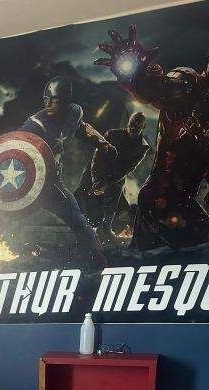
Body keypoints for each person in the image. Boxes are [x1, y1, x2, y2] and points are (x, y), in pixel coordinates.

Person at [95, 25, 209, 249]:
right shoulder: (189, 86)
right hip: (161, 205)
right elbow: (158, 88)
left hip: (178, 208)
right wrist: (136, 72)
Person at [20, 76, 117, 263]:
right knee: (0, 222)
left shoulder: (74, 112)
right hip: (29, 186)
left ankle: (96, 260)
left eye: (54, 100)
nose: (48, 104)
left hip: (52, 185)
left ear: (65, 101)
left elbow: (82, 128)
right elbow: (13, 151)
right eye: (46, 99)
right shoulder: (34, 125)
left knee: (77, 219)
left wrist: (102, 142)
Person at [76, 111, 151, 242]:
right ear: (128, 122)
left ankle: (105, 229)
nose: (133, 128)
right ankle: (82, 229)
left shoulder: (142, 147)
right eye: (132, 124)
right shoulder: (112, 134)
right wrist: (97, 180)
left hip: (115, 178)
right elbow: (97, 158)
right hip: (95, 172)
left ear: (143, 127)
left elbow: (127, 169)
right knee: (83, 198)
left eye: (137, 126)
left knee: (115, 198)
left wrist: (108, 183)